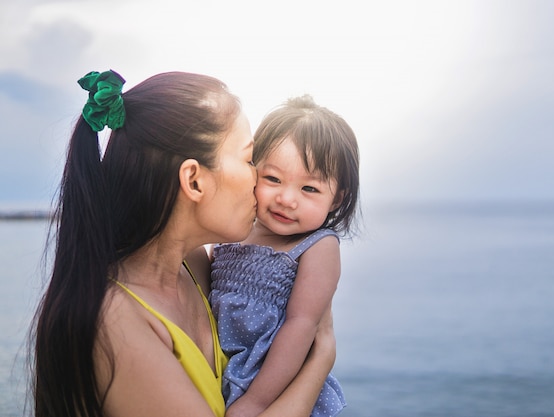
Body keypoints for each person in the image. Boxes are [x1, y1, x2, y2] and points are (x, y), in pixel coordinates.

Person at [30, 70, 338, 417]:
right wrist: (320, 359)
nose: (259, 179)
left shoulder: (195, 268)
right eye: (250, 159)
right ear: (194, 180)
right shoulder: (116, 323)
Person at [209, 95, 360, 417]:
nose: (287, 199)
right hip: (219, 367)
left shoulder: (317, 246)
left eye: (310, 189)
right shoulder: (232, 231)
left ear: (336, 199)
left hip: (270, 380)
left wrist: (257, 402)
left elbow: (301, 326)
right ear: (252, 172)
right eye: (273, 179)